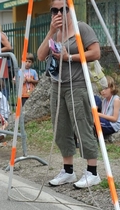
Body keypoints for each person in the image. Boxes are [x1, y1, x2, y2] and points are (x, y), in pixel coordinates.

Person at [37, 0, 101, 189]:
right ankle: (68, 170)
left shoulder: (81, 28)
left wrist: (69, 57)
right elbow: (40, 56)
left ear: (69, 9)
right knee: (61, 128)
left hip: (77, 84)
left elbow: (96, 52)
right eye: (54, 10)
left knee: (82, 125)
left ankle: (92, 171)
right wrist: (50, 31)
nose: (58, 13)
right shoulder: (55, 33)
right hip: (57, 84)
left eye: (62, 9)